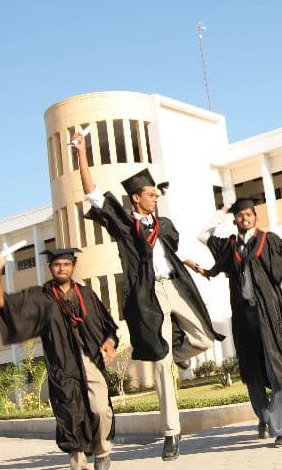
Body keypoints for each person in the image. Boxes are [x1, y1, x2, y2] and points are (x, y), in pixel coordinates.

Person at [72, 134, 224, 461]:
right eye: (150, 195)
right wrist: (82, 153)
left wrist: (190, 263)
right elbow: (93, 195)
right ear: (135, 198)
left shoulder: (164, 225)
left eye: (157, 194)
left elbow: (168, 252)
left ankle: (181, 353)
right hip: (149, 296)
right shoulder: (125, 226)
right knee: (161, 364)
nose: (156, 199)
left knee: (205, 338)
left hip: (177, 286)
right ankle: (172, 432)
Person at [190, 198, 282, 446]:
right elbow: (202, 234)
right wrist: (222, 210)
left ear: (256, 217)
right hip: (243, 316)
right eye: (239, 215)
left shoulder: (269, 240)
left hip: (269, 314)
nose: (244, 218)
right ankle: (264, 417)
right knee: (252, 371)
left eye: (248, 214)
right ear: (235, 220)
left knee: (276, 367)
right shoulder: (229, 246)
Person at [0, 248, 118, 470]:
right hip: (62, 365)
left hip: (90, 360)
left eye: (66, 264)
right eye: (57, 265)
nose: (62, 268)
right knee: (71, 414)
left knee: (101, 409)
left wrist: (110, 343)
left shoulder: (86, 294)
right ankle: (79, 465)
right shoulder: (40, 298)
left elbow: (109, 326)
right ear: (50, 268)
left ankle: (102, 451)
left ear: (73, 267)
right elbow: (0, 302)